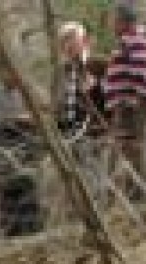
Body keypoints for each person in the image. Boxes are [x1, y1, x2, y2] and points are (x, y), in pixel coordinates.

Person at [103, 1, 146, 197]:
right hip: (131, 103)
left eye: (114, 20)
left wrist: (132, 100)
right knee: (127, 146)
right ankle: (134, 193)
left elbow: (139, 73)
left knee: (137, 146)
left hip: (138, 103)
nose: (111, 24)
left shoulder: (135, 42)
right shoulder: (128, 42)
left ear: (123, 22)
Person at [57, 21, 110, 199]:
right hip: (70, 133)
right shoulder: (62, 71)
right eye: (64, 40)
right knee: (79, 178)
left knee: (97, 176)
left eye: (72, 39)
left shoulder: (100, 64)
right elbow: (60, 102)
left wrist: (96, 87)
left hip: (96, 130)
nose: (68, 44)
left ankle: (101, 213)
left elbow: (114, 96)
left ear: (85, 41)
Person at [0, 64, 45, 236]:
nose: (5, 76)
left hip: (29, 151)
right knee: (9, 194)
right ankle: (11, 233)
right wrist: (21, 119)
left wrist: (22, 119)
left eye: (8, 71)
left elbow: (44, 115)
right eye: (1, 72)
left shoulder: (31, 92)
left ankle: (33, 230)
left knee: (30, 192)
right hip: (6, 153)